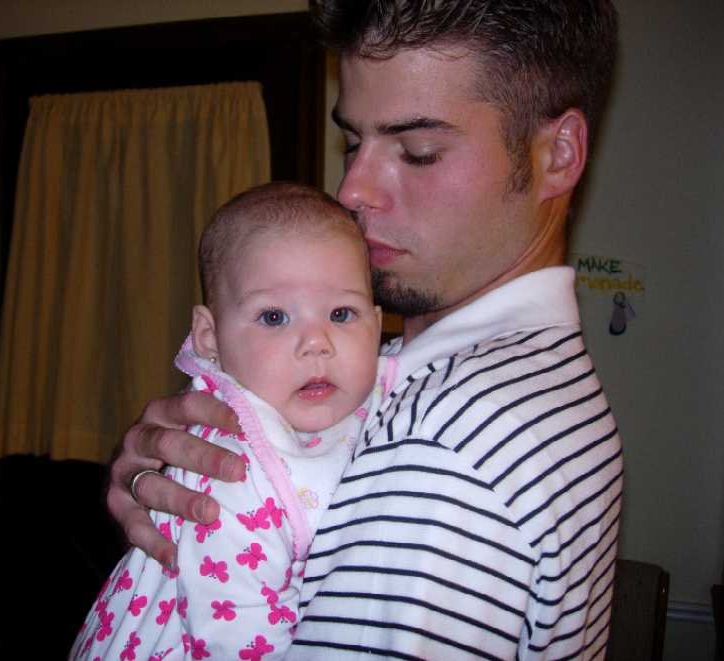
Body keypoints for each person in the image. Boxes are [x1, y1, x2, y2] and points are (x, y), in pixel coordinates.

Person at [108, 1, 624, 658]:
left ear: (558, 153)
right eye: (353, 142)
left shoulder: (445, 445)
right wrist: (172, 496)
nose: (351, 189)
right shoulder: (507, 376)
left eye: (418, 152)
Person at [72, 182, 391, 660]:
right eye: (274, 317)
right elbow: (233, 639)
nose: (316, 343)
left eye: (342, 313)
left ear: (378, 324)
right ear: (210, 336)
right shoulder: (233, 469)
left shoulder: (392, 392)